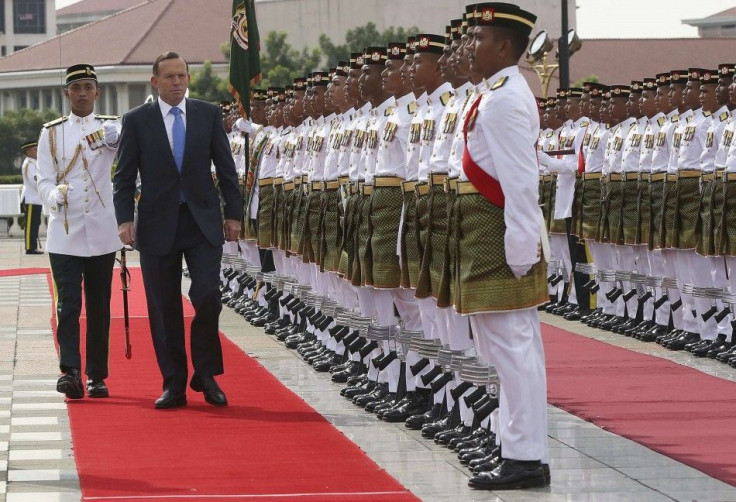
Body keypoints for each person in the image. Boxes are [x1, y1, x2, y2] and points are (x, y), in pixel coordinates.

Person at [113, 52, 242, 409]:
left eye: (181, 76)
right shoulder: (137, 120)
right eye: (168, 77)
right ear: (155, 82)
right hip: (156, 224)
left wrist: (234, 214)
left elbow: (226, 169)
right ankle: (174, 384)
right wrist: (124, 220)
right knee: (164, 306)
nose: (176, 82)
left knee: (207, 296)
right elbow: (123, 177)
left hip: (202, 222)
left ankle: (206, 373)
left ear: (188, 79)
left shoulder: (207, 114)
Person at [457, 3, 550, 490]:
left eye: (480, 38)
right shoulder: (495, 94)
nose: (472, 46)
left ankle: (524, 458)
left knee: (513, 350)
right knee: (509, 350)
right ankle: (523, 448)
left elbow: (520, 182)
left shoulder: (507, 100)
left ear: (506, 48)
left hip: (500, 234)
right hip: (487, 231)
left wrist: (518, 250)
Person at [36, 63, 123, 399]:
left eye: (88, 87)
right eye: (77, 88)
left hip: (101, 230)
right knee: (68, 304)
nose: (83, 93)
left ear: (97, 92)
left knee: (100, 305)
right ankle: (70, 371)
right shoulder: (52, 133)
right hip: (65, 231)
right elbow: (43, 177)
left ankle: (96, 376)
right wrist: (51, 195)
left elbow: (129, 156)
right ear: (67, 93)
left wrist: (118, 135)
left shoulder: (111, 128)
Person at [20, 140, 43, 254]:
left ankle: (32, 246)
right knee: (30, 224)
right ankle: (30, 247)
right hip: (30, 198)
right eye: (35, 149)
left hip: (35, 199)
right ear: (28, 151)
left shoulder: (34, 162)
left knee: (35, 223)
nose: (37, 151)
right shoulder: (29, 164)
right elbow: (34, 181)